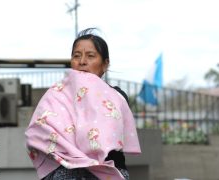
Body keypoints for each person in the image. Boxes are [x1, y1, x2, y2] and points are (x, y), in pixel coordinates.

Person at [25, 28, 141, 180]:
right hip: (65, 171)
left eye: (91, 56)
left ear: (105, 64)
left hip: (107, 172)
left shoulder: (116, 97)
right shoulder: (56, 95)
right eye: (76, 56)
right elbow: (38, 130)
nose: (82, 62)